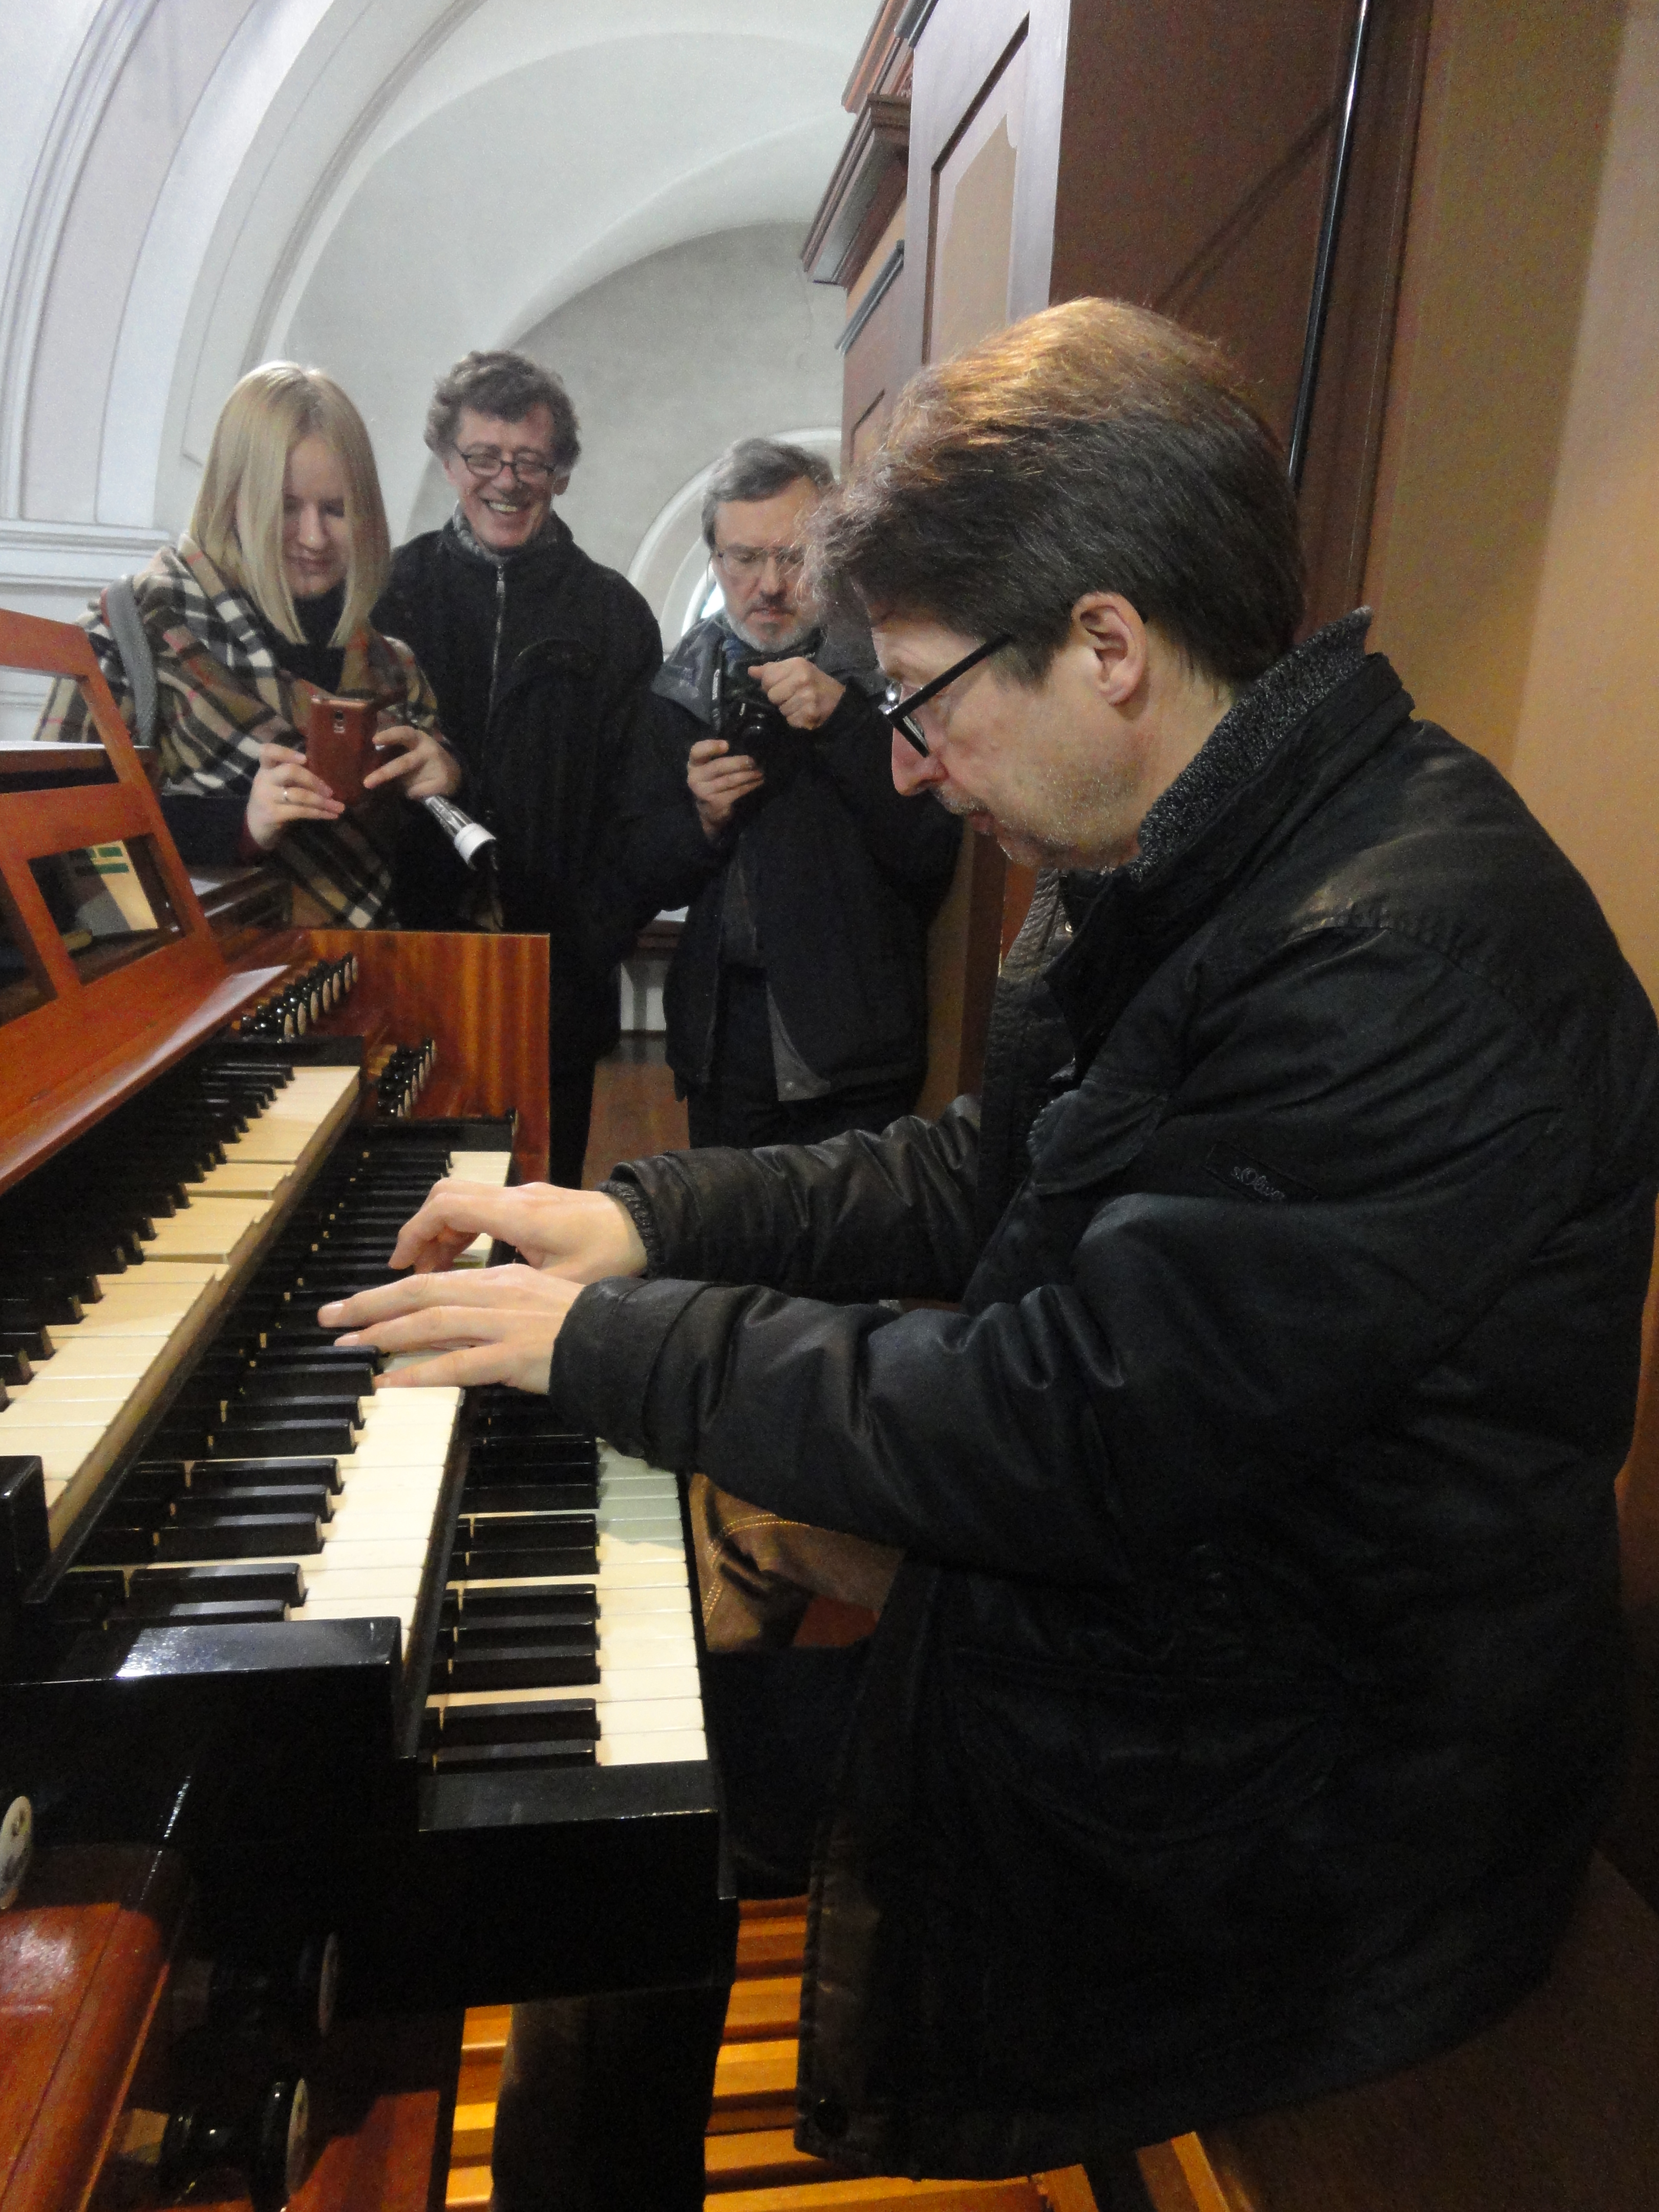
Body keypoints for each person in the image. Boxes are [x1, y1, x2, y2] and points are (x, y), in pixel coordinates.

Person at [320, 300, 1659, 2200]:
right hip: (1221, 1599)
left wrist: (603, 1343)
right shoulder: (1189, 849)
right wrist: (637, 1217)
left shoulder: (1393, 962)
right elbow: (976, 1175)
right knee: (663, 1566)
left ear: (1106, 645)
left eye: (924, 697)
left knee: (600, 1762)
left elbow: (1057, 1424)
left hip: (1327, 1775)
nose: (913, 767)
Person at [617, 437, 961, 1148]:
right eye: (744, 558)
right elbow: (639, 876)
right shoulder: (679, 688)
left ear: (830, 556)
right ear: (716, 561)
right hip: (723, 1040)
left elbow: (930, 849)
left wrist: (844, 722)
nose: (769, 585)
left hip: (854, 1043)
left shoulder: (892, 670)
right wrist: (701, 820)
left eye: (793, 556)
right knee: (723, 1222)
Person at [374, 351, 663, 1185]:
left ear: (560, 472)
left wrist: (590, 940)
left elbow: (638, 809)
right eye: (484, 458)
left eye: (531, 461)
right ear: (447, 461)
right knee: (409, 1210)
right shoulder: (393, 592)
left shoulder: (615, 615)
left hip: (555, 979)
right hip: (417, 963)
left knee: (537, 1216)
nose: (507, 481)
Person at [37, 361, 459, 924]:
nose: (314, 537)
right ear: (232, 497)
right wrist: (239, 824)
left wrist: (447, 789)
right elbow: (50, 837)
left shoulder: (394, 667)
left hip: (376, 970)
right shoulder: (131, 631)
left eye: (336, 509)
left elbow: (436, 888)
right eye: (286, 507)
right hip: (204, 972)